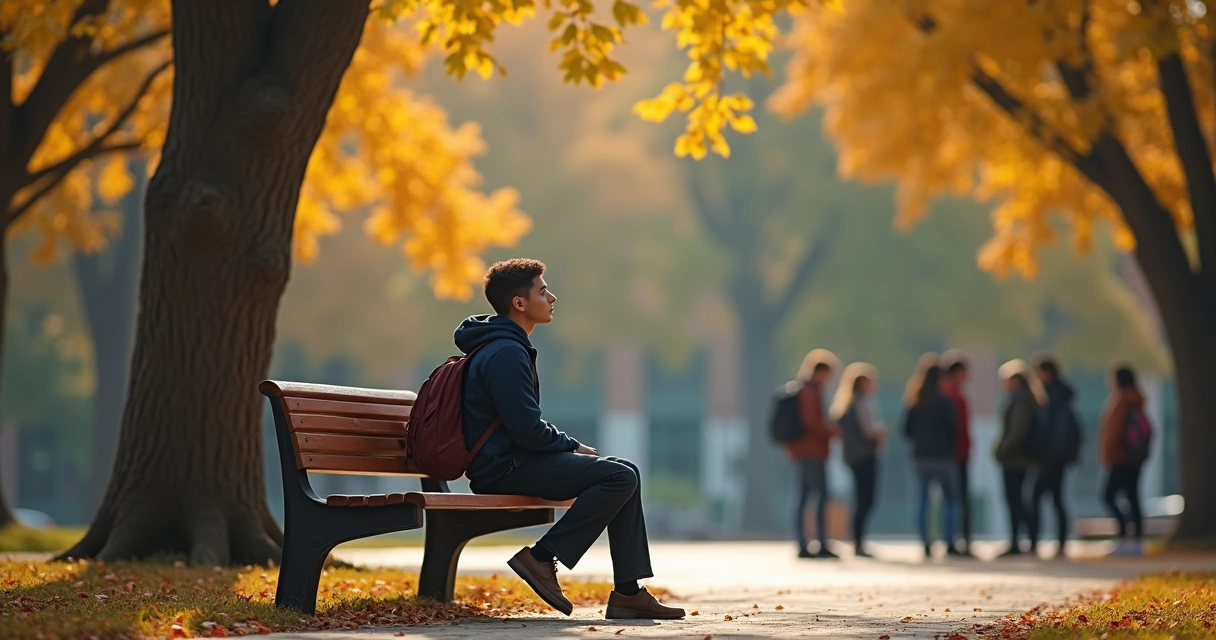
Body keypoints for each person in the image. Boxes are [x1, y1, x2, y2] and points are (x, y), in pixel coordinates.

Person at [456, 259, 683, 619]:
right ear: (519, 303)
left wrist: (565, 446)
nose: (552, 298)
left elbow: (522, 427)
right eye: (543, 291)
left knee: (624, 471)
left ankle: (628, 592)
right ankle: (541, 558)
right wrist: (570, 444)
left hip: (510, 461)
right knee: (619, 476)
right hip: (503, 468)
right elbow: (526, 429)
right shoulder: (505, 352)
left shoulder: (504, 346)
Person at [903, 355, 960, 559]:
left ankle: (925, 542)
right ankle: (949, 541)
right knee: (951, 501)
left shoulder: (915, 401)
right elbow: (954, 430)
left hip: (921, 457)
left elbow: (907, 431)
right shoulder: (944, 402)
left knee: (922, 501)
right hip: (943, 457)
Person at [787, 349, 842, 559]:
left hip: (801, 451)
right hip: (812, 451)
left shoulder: (801, 389)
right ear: (821, 372)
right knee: (820, 495)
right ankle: (820, 542)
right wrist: (832, 431)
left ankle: (803, 541)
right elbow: (812, 422)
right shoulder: (811, 392)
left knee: (803, 497)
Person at [830, 362, 888, 558]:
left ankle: (857, 540)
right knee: (865, 499)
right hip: (865, 456)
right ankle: (858, 541)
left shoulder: (845, 405)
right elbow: (869, 431)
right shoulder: (862, 403)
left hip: (853, 457)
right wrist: (881, 431)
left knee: (860, 498)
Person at [1031, 354, 1081, 558]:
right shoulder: (1063, 397)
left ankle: (1035, 541)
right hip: (1059, 458)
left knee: (1036, 498)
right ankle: (1060, 542)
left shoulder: (1051, 399)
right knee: (1058, 500)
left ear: (1047, 373)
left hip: (1050, 458)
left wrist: (1040, 452)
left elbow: (1047, 431)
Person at [995, 359, 1044, 558]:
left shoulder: (1020, 401)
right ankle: (1024, 539)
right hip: (1020, 458)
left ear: (1016, 381)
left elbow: (1017, 432)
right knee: (1018, 501)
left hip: (1016, 459)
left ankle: (1021, 540)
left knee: (1016, 501)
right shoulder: (1027, 399)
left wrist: (1001, 451)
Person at [1099, 364, 1150, 557]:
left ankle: (1124, 536)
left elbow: (1114, 432)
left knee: (1108, 495)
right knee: (1132, 496)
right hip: (1134, 458)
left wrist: (1108, 453)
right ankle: (1135, 539)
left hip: (1120, 458)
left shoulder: (1122, 401)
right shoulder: (1137, 400)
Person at [940, 350, 973, 557]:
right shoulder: (954, 396)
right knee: (958, 499)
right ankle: (960, 541)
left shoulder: (946, 393)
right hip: (956, 455)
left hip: (952, 453)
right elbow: (958, 429)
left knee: (951, 499)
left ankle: (953, 540)